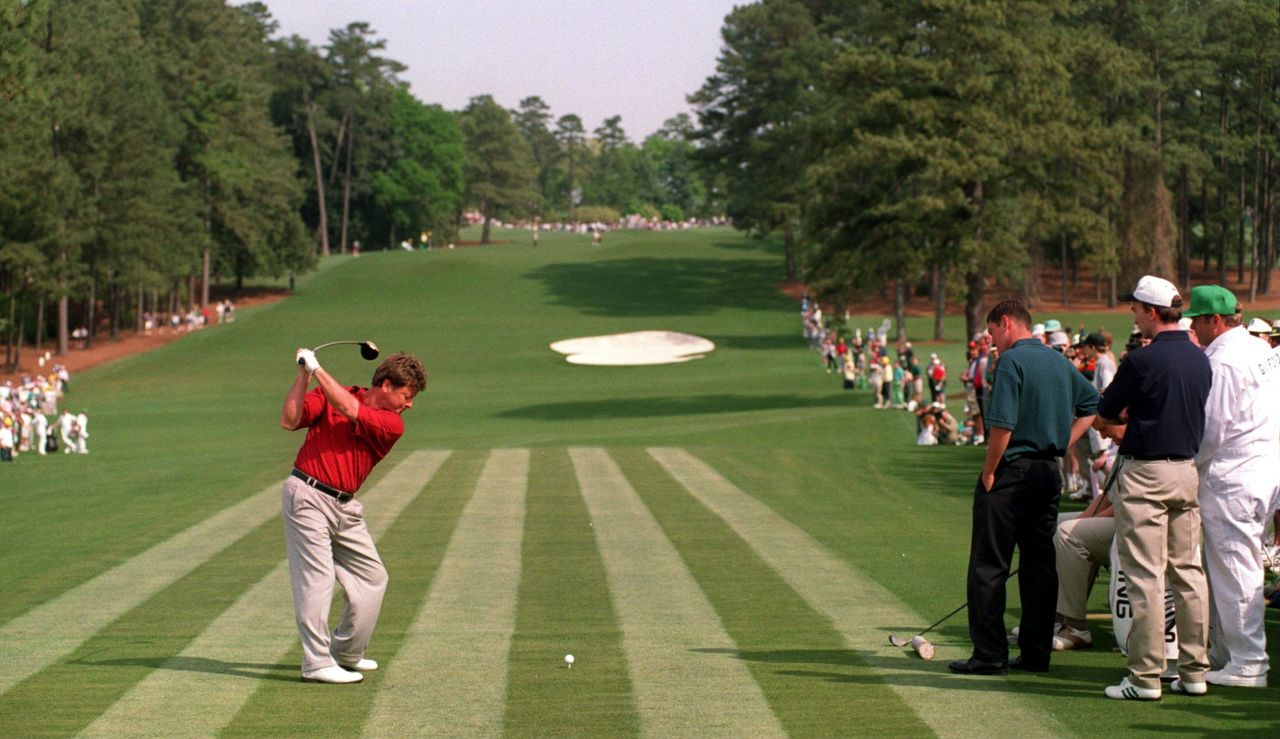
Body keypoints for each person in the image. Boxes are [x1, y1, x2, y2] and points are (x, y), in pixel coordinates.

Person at [949, 299, 1099, 677]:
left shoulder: (1011, 361)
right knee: (1038, 566)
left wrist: (988, 472)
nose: (992, 340)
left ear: (1006, 323)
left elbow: (1002, 426)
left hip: (1011, 470)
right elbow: (1093, 405)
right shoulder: (1058, 361)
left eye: (993, 331)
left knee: (989, 565)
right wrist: (1063, 441)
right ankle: (1035, 653)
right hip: (1048, 472)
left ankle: (989, 654)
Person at [1096, 275, 1213, 700]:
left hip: (1147, 472)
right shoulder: (1200, 358)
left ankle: (1146, 677)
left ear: (1149, 311)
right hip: (1187, 470)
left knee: (1146, 576)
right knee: (1189, 573)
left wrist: (1129, 419)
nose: (1134, 315)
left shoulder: (1141, 361)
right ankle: (1195, 671)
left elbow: (1105, 410)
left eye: (1136, 309)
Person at [280, 348, 427, 684]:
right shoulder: (334, 394)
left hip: (345, 507)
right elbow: (289, 420)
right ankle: (316, 663)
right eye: (407, 395)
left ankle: (345, 653)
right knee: (316, 581)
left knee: (372, 578)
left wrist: (316, 367)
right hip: (307, 495)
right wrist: (303, 375)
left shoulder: (392, 424)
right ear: (386, 386)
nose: (410, 404)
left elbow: (348, 409)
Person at [1184, 285, 1280, 687]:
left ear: (1215, 320)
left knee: (1234, 568)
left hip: (1233, 476)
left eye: (1197, 319)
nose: (1193, 326)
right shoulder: (1263, 351)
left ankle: (1248, 660)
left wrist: (1186, 466)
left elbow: (1212, 430)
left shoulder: (1222, 362)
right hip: (1263, 467)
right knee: (1233, 565)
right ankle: (1229, 652)